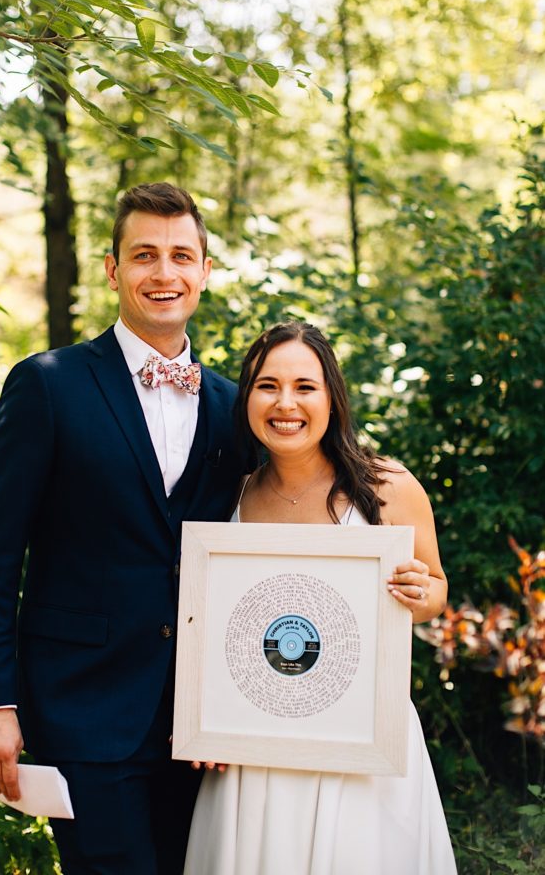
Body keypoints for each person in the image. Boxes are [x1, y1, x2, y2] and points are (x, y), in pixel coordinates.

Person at [0, 182, 246, 875]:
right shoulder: (47, 385)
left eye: (181, 256)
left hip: (203, 719)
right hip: (83, 707)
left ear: (205, 270)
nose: (164, 273)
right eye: (144, 255)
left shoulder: (234, 406)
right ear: (113, 270)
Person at [184, 321, 457, 875]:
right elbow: (206, 623)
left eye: (305, 386)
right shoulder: (230, 497)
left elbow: (436, 591)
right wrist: (201, 716)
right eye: (267, 385)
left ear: (332, 396)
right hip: (253, 745)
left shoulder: (388, 487)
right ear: (247, 398)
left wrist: (420, 592)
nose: (286, 403)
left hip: (361, 736)